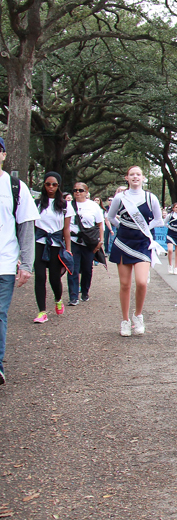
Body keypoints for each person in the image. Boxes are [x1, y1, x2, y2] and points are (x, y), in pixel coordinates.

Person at [106, 166, 163, 337]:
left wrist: (143, 229)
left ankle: (138, 315)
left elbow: (159, 220)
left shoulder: (150, 197)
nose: (135, 177)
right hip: (123, 243)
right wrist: (123, 227)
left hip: (142, 244)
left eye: (138, 174)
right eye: (132, 174)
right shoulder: (120, 197)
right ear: (127, 178)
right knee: (124, 284)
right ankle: (125, 320)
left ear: (143, 177)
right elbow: (110, 217)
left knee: (141, 282)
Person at [0, 137, 39, 384]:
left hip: (3, 263)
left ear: (3, 155)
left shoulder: (15, 187)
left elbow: (26, 227)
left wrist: (26, 264)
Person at [32, 172, 74, 324]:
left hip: (56, 244)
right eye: (48, 184)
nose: (51, 187)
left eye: (54, 184)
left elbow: (66, 229)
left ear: (58, 186)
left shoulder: (64, 206)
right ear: (44, 185)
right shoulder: (37, 204)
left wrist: (68, 249)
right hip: (40, 243)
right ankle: (42, 311)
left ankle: (58, 299)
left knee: (54, 278)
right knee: (40, 277)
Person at [67, 181, 105, 304]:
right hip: (73, 240)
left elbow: (100, 224)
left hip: (89, 242)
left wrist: (101, 241)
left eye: (80, 190)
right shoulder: (68, 205)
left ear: (86, 192)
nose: (77, 192)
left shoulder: (93, 206)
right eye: (75, 190)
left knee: (87, 269)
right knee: (73, 268)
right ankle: (73, 296)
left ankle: (85, 291)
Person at [163, 202, 177, 274]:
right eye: (176, 207)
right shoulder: (170, 216)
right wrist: (170, 227)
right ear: (173, 208)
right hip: (170, 234)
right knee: (170, 250)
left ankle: (175, 267)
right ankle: (170, 265)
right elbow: (164, 223)